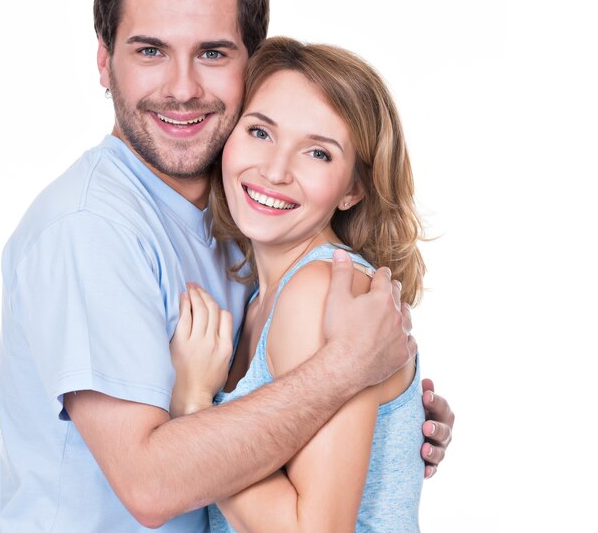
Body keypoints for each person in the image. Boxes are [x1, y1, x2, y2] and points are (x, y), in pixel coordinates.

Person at [0, 0, 454, 532]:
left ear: (249, 66)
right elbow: (152, 485)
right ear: (104, 62)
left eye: (212, 53)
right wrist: (348, 371)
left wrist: (388, 424)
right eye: (150, 51)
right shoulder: (88, 228)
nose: (182, 89)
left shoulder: (240, 224)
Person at [170, 36, 428, 532]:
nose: (275, 169)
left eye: (317, 153)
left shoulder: (319, 292)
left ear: (354, 188)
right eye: (261, 133)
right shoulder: (258, 297)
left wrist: (196, 409)